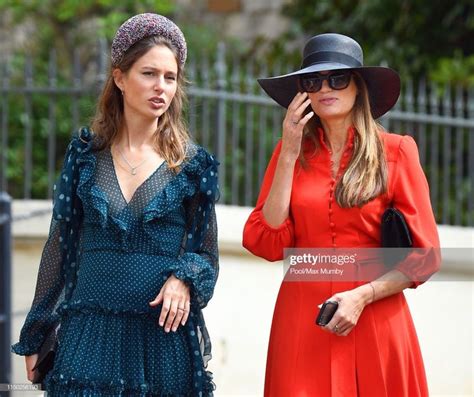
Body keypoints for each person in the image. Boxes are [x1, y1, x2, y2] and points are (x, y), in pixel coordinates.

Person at [12, 13, 219, 396]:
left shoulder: (192, 166)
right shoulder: (85, 157)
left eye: (170, 78)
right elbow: (61, 244)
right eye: (149, 74)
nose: (161, 87)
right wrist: (37, 330)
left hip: (161, 338)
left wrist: (184, 278)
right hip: (89, 334)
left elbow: (206, 255)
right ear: (120, 78)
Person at [242, 33, 440, 396]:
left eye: (337, 78)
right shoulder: (288, 153)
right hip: (303, 318)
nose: (324, 88)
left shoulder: (396, 152)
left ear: (359, 86)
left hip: (376, 315)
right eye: (312, 80)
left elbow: (425, 257)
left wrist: (362, 295)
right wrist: (289, 150)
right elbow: (266, 240)